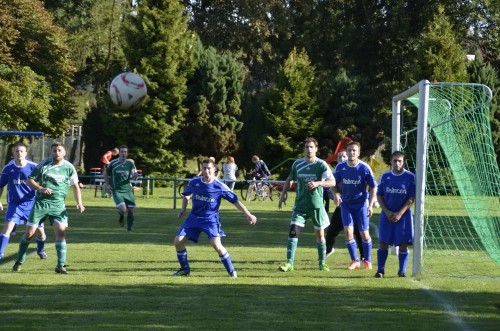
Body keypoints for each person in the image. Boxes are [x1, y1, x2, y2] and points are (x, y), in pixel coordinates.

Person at [172, 158, 257, 277]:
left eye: (208, 168)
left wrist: (248, 214)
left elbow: (235, 201)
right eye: (204, 168)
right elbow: (186, 196)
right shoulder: (194, 182)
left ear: (214, 170)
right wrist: (183, 210)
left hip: (210, 220)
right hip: (194, 218)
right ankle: (184, 270)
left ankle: (232, 271)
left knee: (217, 246)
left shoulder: (219, 186)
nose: (206, 170)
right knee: (178, 242)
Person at [12, 142, 85, 274]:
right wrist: (41, 188)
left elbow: (75, 186)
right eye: (54, 151)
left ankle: (60, 265)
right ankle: (19, 261)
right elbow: (30, 180)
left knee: (61, 232)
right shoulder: (44, 164)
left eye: (59, 150)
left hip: (58, 206)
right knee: (29, 234)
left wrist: (79, 202)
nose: (56, 153)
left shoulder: (69, 167)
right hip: (41, 205)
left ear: (64, 153)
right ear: (51, 152)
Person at [278, 137, 336, 272]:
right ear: (304, 149)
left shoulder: (321, 164)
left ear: (316, 149)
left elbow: (332, 181)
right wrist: (283, 195)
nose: (309, 149)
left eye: (311, 147)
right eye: (306, 147)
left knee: (320, 235)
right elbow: (289, 179)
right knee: (293, 231)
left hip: (316, 206)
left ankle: (322, 263)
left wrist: (318, 183)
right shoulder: (297, 164)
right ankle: (289, 263)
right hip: (300, 205)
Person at [331, 141, 377, 270]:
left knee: (364, 233)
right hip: (346, 204)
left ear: (358, 152)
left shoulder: (364, 168)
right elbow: (332, 183)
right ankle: (355, 260)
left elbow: (373, 187)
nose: (351, 153)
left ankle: (367, 260)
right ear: (346, 151)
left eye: (354, 150)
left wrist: (370, 205)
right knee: (348, 232)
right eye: (349, 150)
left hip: (361, 204)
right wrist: (335, 195)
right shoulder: (340, 167)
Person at [0, 143, 48, 260]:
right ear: (13, 153)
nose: (19, 153)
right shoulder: (8, 168)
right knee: (8, 227)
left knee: (40, 232)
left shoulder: (33, 167)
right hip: (14, 204)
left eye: (21, 151)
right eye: (17, 151)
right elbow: (1, 185)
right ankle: (0, 253)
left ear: (26, 153)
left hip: (32, 204)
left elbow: (43, 182)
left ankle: (40, 250)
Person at [375, 151, 416, 278]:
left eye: (400, 161)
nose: (397, 163)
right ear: (391, 161)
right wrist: (387, 212)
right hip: (387, 214)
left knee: (403, 243)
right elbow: (379, 195)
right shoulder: (385, 176)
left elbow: (411, 198)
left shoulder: (410, 177)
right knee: (383, 242)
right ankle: (380, 270)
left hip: (403, 215)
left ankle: (402, 271)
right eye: (395, 161)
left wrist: (399, 214)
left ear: (403, 162)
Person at [325, 149, 364, 260]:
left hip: (357, 207)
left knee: (358, 232)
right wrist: (335, 195)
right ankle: (328, 250)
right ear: (336, 160)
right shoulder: (336, 173)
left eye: (344, 156)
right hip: (343, 206)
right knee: (332, 231)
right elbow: (331, 188)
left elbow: (368, 185)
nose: (342, 158)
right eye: (339, 157)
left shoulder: (357, 170)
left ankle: (363, 257)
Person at [104, 145, 138, 232]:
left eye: (125, 152)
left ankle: (129, 228)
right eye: (122, 152)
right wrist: (107, 185)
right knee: (123, 208)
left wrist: (135, 176)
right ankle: (121, 215)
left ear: (127, 154)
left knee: (130, 210)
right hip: (117, 190)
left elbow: (134, 177)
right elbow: (106, 173)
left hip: (127, 190)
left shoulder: (130, 164)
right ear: (119, 153)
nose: (123, 153)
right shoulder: (113, 164)